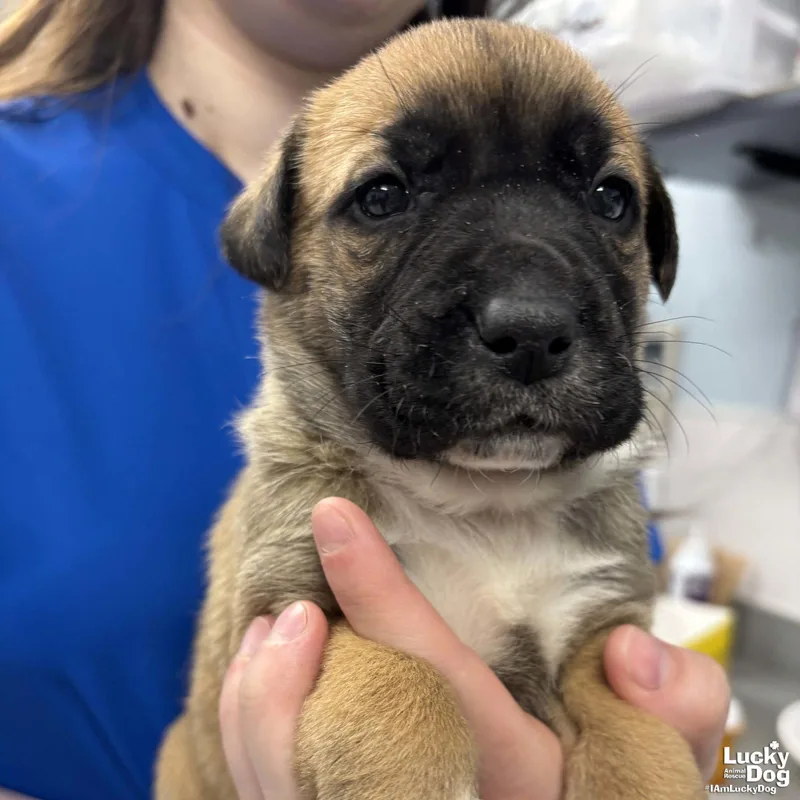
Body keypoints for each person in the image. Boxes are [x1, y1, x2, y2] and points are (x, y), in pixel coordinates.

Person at [0, 2, 730, 799]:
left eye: (607, 198)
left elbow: (613, 672)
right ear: (280, 248)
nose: (532, 309)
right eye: (382, 196)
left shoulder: (590, 477)